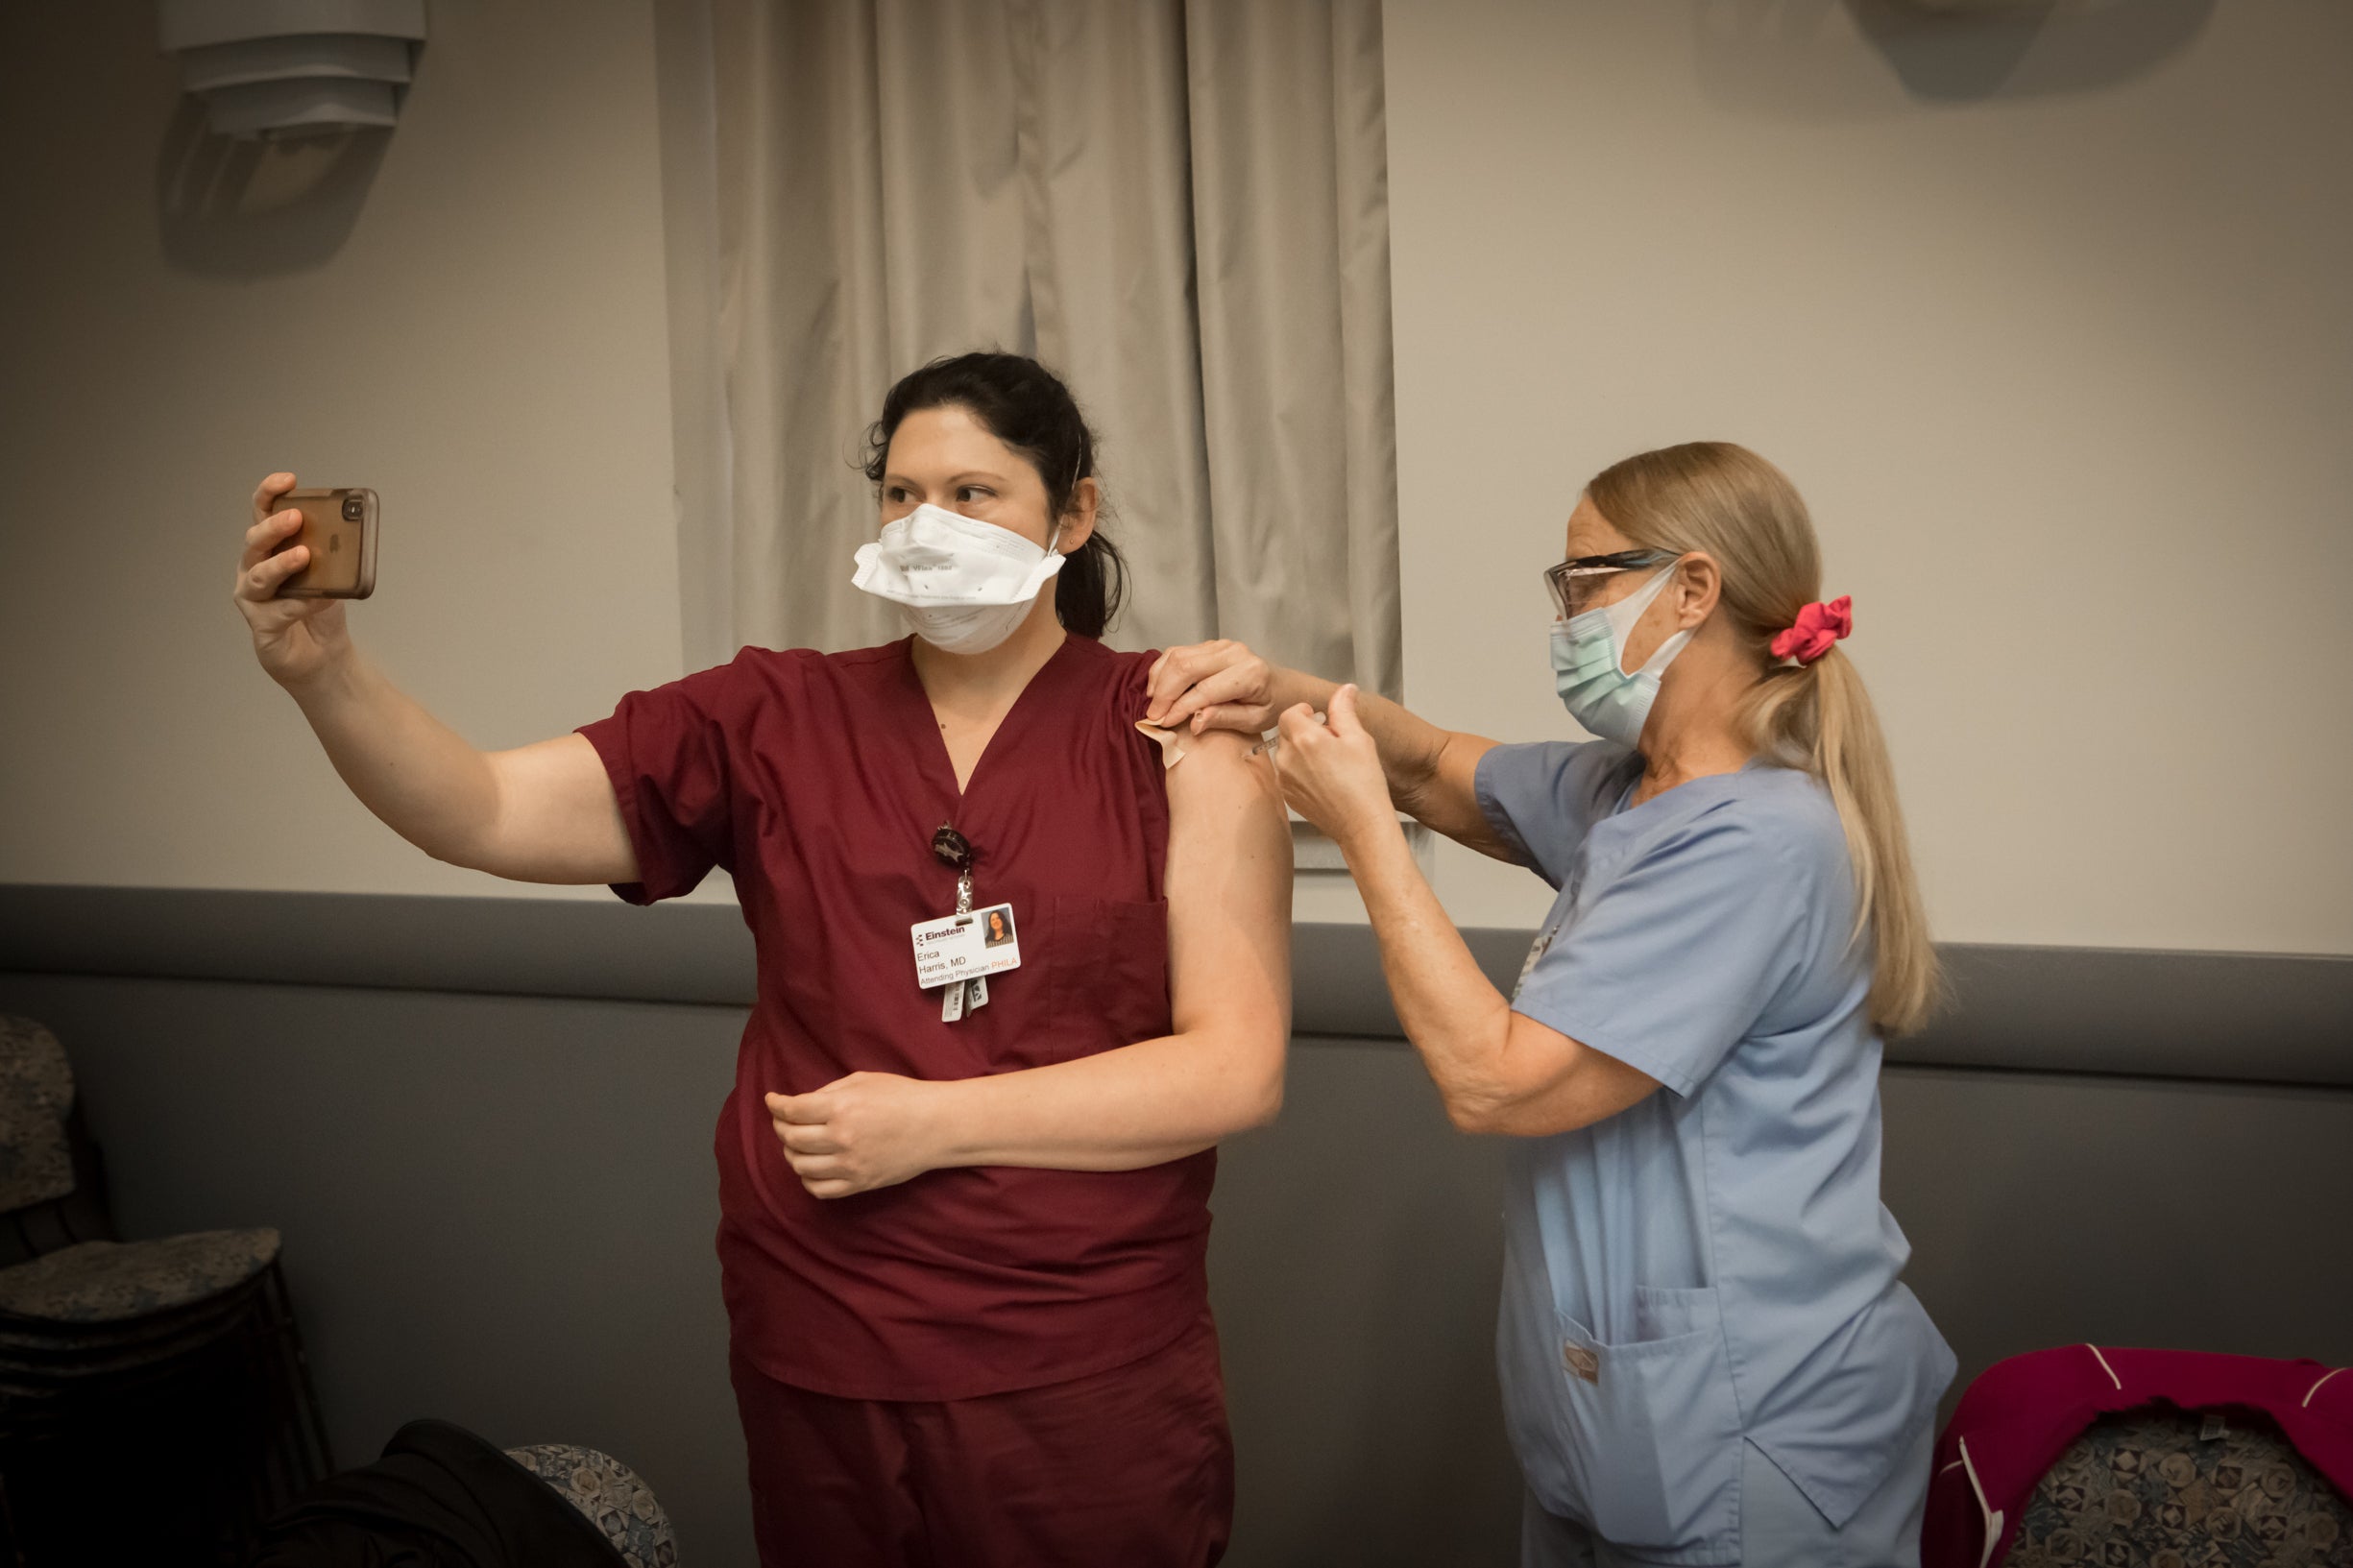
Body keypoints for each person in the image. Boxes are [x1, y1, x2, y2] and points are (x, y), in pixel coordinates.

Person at [232, 350, 1293, 1567]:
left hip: (1073, 1360)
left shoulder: (1176, 736)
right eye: (900, 495)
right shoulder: (767, 718)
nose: (927, 525)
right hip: (822, 1337)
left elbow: (1233, 1070)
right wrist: (325, 674)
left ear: (1074, 510)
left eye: (973, 492)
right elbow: (480, 809)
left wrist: (934, 1123)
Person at [1145, 442, 1954, 1566]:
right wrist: (1276, 691)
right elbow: (1428, 760)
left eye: (1581, 584)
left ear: (1690, 588)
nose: (1563, 617)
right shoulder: (1631, 791)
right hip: (1619, 1411)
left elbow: (1496, 1083)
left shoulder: (1755, 842)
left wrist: (1366, 833)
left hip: (1750, 1424)